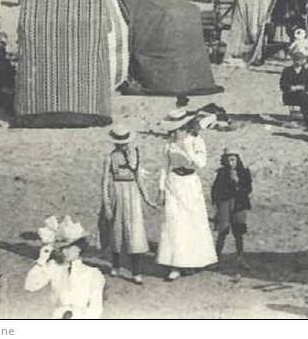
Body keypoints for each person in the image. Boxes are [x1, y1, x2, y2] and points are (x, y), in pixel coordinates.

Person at [156, 110, 217, 281]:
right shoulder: (169, 144)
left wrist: (186, 147)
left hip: (190, 183)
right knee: (174, 223)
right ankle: (175, 265)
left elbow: (201, 164)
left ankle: (193, 261)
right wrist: (161, 188)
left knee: (192, 222)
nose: (174, 133)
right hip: (173, 182)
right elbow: (164, 166)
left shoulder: (196, 141)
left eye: (177, 129)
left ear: (184, 127)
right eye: (173, 129)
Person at [99, 124, 152, 285]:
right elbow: (104, 181)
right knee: (116, 229)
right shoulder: (110, 157)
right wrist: (107, 204)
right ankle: (116, 265)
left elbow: (139, 178)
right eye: (120, 143)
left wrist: (147, 198)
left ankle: (136, 271)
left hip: (132, 193)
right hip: (117, 191)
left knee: (135, 231)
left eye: (125, 143)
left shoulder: (135, 154)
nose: (123, 146)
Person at [24, 217, 105, 319]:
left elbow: (96, 308)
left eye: (67, 248)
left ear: (78, 249)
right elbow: (30, 286)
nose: (63, 252)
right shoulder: (54, 267)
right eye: (61, 249)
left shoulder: (93, 273)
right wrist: (41, 260)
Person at [211, 148, 253, 270]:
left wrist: (238, 183)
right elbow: (215, 190)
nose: (231, 163)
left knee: (238, 232)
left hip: (239, 204)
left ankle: (240, 258)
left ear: (237, 160)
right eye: (228, 160)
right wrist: (218, 205)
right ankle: (217, 259)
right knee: (222, 231)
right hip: (225, 204)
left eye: (233, 160)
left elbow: (248, 189)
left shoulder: (244, 172)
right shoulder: (222, 173)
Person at [280, 52, 308, 132]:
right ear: (294, 61)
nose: (299, 62)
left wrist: (301, 87)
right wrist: (292, 87)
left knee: (303, 98)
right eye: (298, 60)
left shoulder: (306, 72)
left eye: (302, 61)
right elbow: (282, 85)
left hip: (302, 95)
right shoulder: (287, 71)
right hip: (290, 95)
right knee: (305, 99)